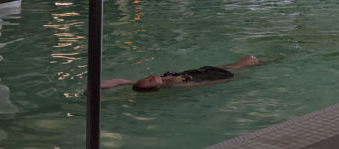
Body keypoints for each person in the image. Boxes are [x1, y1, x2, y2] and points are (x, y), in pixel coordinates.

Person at [99, 55, 262, 92]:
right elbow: (201, 83)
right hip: (213, 76)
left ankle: (267, 60)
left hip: (203, 70)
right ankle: (273, 60)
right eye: (150, 81)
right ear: (155, 88)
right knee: (247, 60)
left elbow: (119, 81)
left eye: (147, 78)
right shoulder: (171, 84)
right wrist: (227, 81)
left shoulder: (162, 79)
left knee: (247, 61)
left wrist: (95, 87)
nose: (151, 78)